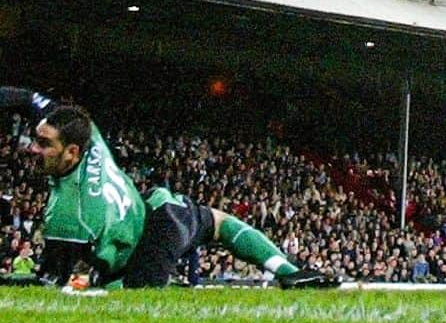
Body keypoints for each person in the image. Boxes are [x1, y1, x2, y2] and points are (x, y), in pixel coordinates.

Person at [0, 87, 338, 289]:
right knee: (218, 222)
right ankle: (292, 274)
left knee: (124, 301)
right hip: (154, 208)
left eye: (43, 144)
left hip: (149, 249)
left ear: (72, 151)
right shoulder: (88, 135)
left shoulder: (69, 215)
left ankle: (293, 275)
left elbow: (50, 283)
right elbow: (31, 98)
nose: (33, 147)